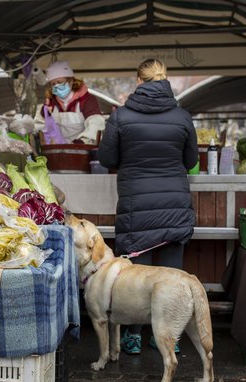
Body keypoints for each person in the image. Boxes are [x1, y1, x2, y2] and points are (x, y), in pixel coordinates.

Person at [97, 58, 198, 355]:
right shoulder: (182, 117)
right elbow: (191, 161)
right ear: (165, 80)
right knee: (171, 275)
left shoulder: (121, 117)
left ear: (138, 82)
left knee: (134, 276)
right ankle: (167, 338)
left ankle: (132, 337)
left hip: (135, 206)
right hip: (174, 205)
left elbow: (107, 159)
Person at [41, 61, 105, 144]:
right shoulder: (50, 102)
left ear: (70, 81)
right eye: (53, 84)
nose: (56, 86)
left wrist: (83, 140)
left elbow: (95, 123)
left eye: (60, 82)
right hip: (58, 149)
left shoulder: (87, 100)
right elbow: (41, 124)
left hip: (83, 147)